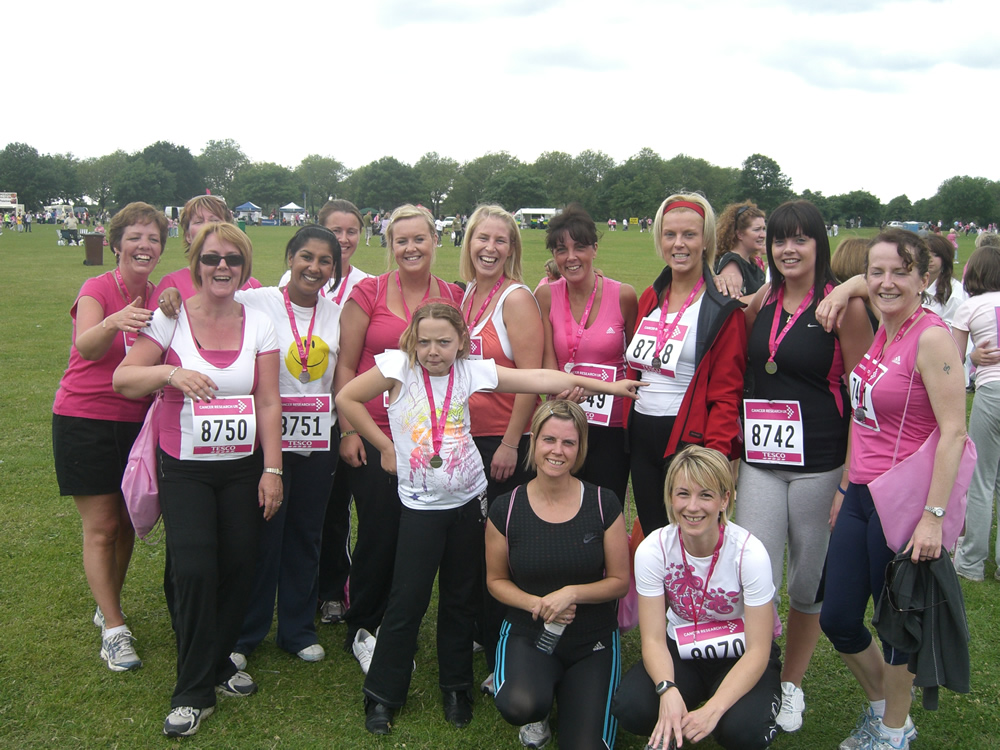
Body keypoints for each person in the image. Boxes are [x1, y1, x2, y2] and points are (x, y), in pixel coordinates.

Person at [336, 301, 642, 736]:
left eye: (444, 341)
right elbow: (346, 396)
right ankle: (383, 693)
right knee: (407, 601)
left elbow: (536, 378)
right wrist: (384, 446)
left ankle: (456, 686)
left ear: (461, 341)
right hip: (421, 506)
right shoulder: (396, 367)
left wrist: (605, 388)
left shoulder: (471, 369)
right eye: (424, 341)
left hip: (468, 502)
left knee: (461, 597)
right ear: (412, 341)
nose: (433, 350)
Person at [114, 222, 283, 738]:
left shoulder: (260, 323)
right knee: (192, 568)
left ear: (245, 267)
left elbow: (269, 400)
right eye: (212, 259)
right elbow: (124, 378)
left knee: (238, 564)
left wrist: (272, 470)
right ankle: (193, 691)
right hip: (183, 465)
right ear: (197, 265)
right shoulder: (171, 320)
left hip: (242, 467)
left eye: (233, 259)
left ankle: (219, 662)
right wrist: (171, 374)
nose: (222, 268)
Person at [819, 229, 966, 750]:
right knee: (837, 616)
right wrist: (843, 485)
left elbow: (955, 432)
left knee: (895, 626)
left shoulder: (931, 337)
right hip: (860, 493)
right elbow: (864, 418)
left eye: (900, 272)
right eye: (875, 272)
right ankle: (886, 707)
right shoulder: (885, 326)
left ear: (925, 277)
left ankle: (892, 733)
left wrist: (934, 516)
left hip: (903, 503)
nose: (884, 282)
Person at [734, 200, 872, 733]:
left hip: (820, 464)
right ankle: (758, 671)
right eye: (778, 240)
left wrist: (846, 480)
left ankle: (791, 683)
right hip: (761, 462)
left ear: (819, 245)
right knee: (756, 575)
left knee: (807, 582)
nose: (787, 249)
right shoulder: (763, 298)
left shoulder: (844, 308)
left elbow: (863, 399)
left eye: (800, 240)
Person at [334, 204, 464, 668]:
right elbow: (346, 367)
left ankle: (396, 622)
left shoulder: (452, 294)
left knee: (419, 535)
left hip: (431, 437)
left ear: (434, 240)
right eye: (401, 240)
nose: (411, 248)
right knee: (379, 531)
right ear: (390, 246)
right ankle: (364, 624)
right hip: (374, 432)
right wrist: (349, 431)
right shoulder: (367, 293)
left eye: (419, 239)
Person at [52, 201, 166, 672]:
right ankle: (115, 630)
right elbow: (86, 346)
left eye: (154, 238)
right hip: (86, 417)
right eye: (135, 237)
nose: (144, 246)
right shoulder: (97, 288)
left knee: (126, 524)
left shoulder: (162, 295)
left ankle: (109, 604)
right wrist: (112, 321)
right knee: (101, 527)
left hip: (138, 421)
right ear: (116, 243)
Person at [223, 226, 344, 666]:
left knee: (306, 533)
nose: (314, 267)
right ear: (290, 257)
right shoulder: (255, 301)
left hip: (318, 438)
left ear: (334, 269)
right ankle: (246, 632)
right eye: (306, 257)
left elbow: (342, 374)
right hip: (265, 437)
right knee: (261, 534)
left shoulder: (336, 313)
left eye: (325, 261)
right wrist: (171, 301)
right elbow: (208, 298)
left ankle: (296, 629)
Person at [611, 445, 781, 750]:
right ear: (670, 497)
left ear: (724, 499)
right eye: (683, 494)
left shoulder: (750, 553)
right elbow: (651, 640)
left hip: (741, 652)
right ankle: (681, 712)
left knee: (744, 731)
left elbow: (759, 649)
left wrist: (713, 710)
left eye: (706, 495)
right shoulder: (654, 549)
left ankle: (720, 716)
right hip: (684, 648)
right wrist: (667, 690)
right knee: (632, 707)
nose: (692, 507)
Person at [486, 399, 630, 750]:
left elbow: (620, 581)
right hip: (528, 632)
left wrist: (572, 594)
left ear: (580, 449)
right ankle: (542, 703)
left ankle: (573, 695)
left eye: (569, 442)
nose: (558, 451)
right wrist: (537, 602)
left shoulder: (602, 502)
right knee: (521, 703)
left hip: (590, 639)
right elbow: (496, 581)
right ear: (534, 441)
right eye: (549, 440)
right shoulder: (505, 508)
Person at [457, 204, 544, 692]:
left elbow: (530, 379)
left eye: (501, 240)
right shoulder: (469, 294)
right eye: (481, 238)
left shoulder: (515, 299)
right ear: (468, 243)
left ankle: (507, 650)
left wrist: (512, 442)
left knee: (505, 554)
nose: (490, 248)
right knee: (475, 546)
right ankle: (481, 631)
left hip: (504, 444)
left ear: (513, 248)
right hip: (466, 442)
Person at [626, 193, 747, 534]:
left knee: (692, 533)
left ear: (706, 240)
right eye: (670, 234)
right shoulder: (651, 297)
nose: (679, 244)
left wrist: (715, 458)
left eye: (689, 235)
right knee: (654, 531)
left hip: (688, 438)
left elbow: (727, 394)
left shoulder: (722, 308)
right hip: (641, 434)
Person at [536, 202, 638, 503]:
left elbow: (635, 362)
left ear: (594, 248)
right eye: (560, 249)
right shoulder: (544, 295)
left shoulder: (624, 295)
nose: (570, 257)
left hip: (611, 425)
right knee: (561, 505)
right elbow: (546, 359)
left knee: (606, 505)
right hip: (564, 419)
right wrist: (560, 393)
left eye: (579, 247)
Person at [951, 245, 1000, 581]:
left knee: (981, 478)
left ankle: (970, 562)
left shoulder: (970, 306)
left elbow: (952, 360)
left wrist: (972, 361)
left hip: (992, 390)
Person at [153, 195, 262, 302]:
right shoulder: (170, 285)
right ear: (187, 235)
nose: (207, 226)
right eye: (198, 221)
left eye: (214, 220)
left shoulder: (252, 286)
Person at [715, 201, 768, 295]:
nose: (763, 235)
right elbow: (732, 303)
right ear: (740, 234)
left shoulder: (751, 264)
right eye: (757, 230)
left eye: (763, 229)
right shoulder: (732, 262)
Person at [923, 233, 967, 327]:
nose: (930, 259)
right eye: (926, 255)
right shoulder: (913, 286)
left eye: (935, 255)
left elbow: (955, 331)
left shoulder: (954, 293)